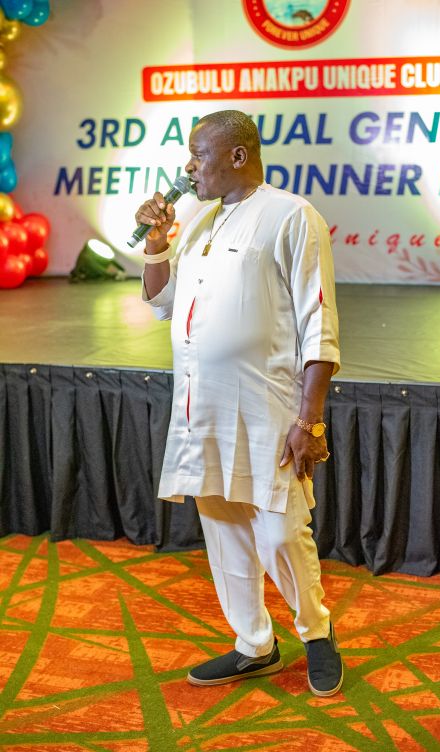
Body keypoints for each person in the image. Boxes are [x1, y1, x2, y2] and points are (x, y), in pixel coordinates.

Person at [136, 109, 342, 697]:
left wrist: (309, 419)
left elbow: (318, 322)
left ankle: (317, 632)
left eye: (198, 154)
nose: (189, 166)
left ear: (237, 156)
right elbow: (162, 302)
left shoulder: (292, 215)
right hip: (200, 408)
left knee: (280, 532)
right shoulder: (198, 219)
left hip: (267, 408)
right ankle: (254, 644)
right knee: (223, 530)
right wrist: (157, 244)